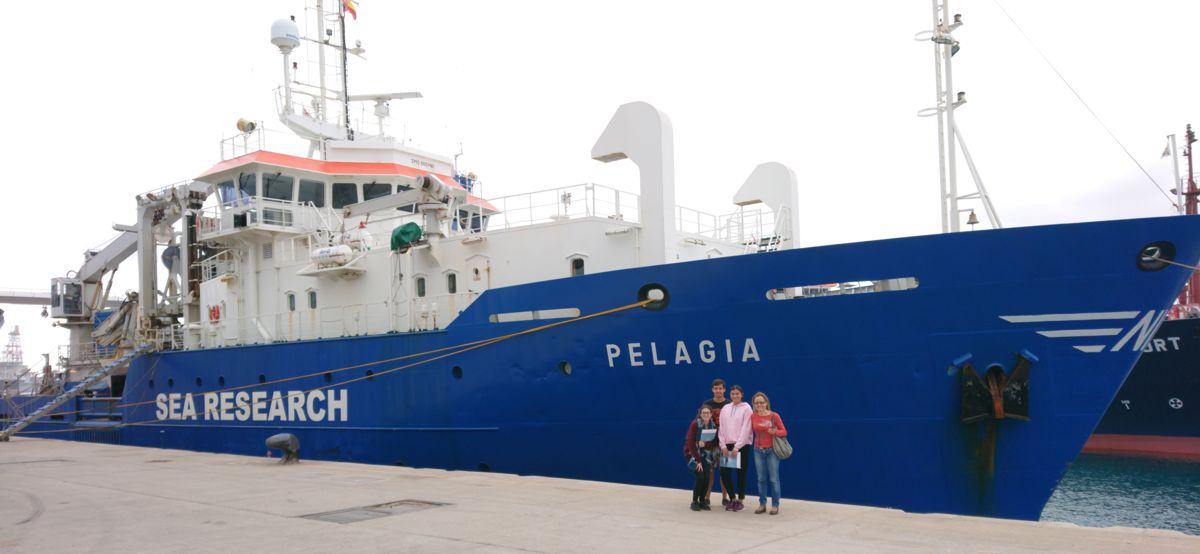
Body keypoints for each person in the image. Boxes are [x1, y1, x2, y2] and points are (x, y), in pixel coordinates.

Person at [750, 391, 787, 515]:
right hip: (758, 450)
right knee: (761, 479)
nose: (759, 405)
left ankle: (775, 505)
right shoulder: (753, 416)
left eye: (761, 402)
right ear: (754, 404)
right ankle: (762, 504)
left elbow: (784, 432)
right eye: (756, 403)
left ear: (766, 403)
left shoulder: (774, 416)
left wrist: (775, 432)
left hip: (772, 451)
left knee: (773, 479)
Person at [718, 385, 753, 512]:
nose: (735, 396)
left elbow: (746, 428)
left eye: (737, 393)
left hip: (742, 446)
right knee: (724, 473)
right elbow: (721, 427)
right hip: (727, 446)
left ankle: (740, 501)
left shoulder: (747, 408)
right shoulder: (725, 408)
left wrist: (737, 447)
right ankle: (732, 499)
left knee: (741, 473)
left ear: (742, 394)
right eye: (733, 394)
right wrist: (722, 445)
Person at [684, 404, 719, 511]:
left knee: (707, 478)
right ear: (700, 414)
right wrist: (698, 460)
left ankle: (702, 500)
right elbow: (690, 442)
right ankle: (694, 501)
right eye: (703, 413)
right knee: (700, 477)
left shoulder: (713, 426)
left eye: (708, 412)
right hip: (693, 454)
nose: (706, 414)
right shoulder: (695, 424)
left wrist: (705, 444)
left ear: (711, 414)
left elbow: (714, 442)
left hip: (707, 455)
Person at [701, 379, 730, 507]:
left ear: (724, 390)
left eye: (720, 388)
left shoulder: (729, 404)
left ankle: (725, 497)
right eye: (716, 388)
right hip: (710, 445)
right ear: (712, 390)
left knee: (725, 472)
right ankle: (707, 497)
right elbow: (700, 422)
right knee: (710, 472)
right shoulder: (707, 404)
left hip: (726, 444)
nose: (718, 390)